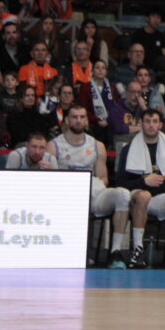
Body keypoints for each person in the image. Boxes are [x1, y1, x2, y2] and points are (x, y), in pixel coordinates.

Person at [52, 105, 131, 268]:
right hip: (65, 196)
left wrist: (88, 188)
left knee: (123, 195)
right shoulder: (54, 145)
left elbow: (103, 178)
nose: (78, 121)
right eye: (74, 117)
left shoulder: (97, 145)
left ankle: (115, 252)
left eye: (82, 117)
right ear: (67, 120)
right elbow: (50, 178)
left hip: (92, 193)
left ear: (87, 121)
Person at [116, 109, 165, 270]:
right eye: (147, 121)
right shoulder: (129, 148)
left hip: (161, 197)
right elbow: (120, 182)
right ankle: (137, 250)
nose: (151, 125)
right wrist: (144, 181)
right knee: (144, 196)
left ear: (160, 125)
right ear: (141, 124)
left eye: (155, 121)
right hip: (136, 196)